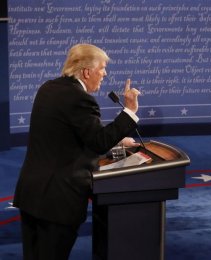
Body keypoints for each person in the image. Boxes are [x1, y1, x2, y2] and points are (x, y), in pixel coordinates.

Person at [13, 43, 141, 259]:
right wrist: (129, 111)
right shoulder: (80, 99)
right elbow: (98, 142)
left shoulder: (48, 88)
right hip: (58, 202)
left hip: (32, 194)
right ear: (86, 71)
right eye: (101, 68)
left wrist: (118, 144)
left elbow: (67, 140)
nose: (104, 73)